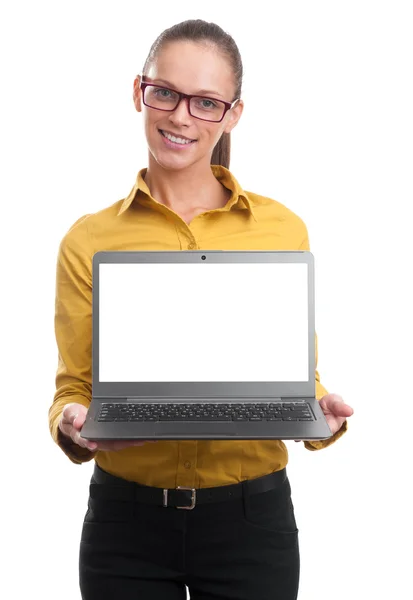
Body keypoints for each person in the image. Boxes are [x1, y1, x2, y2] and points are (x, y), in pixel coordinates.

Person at [49, 18, 354, 600]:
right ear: (140, 92)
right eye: (166, 92)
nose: (181, 116)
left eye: (206, 102)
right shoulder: (87, 240)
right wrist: (71, 423)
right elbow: (74, 387)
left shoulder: (281, 228)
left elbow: (290, 379)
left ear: (233, 114)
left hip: (251, 522)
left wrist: (320, 416)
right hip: (124, 528)